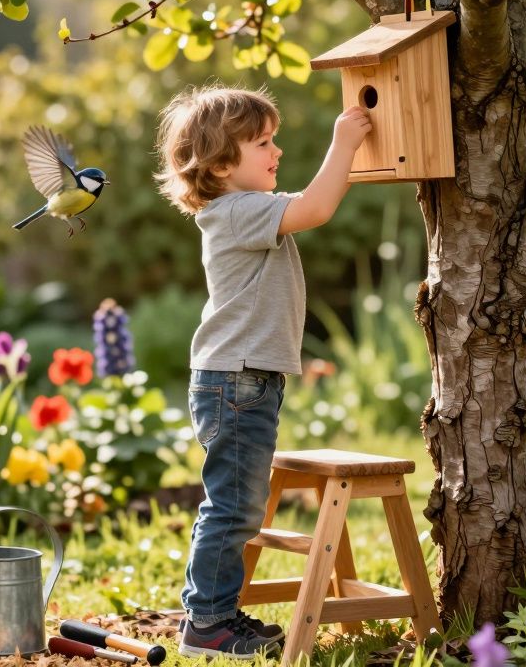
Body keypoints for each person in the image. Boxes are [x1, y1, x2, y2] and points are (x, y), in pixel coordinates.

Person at [154, 84, 372, 660]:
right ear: (223, 164)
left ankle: (217, 613)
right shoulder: (235, 213)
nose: (277, 151)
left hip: (244, 379)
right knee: (232, 506)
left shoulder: (241, 210)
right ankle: (207, 621)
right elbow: (317, 207)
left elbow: (308, 202)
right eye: (263, 143)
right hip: (237, 380)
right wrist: (344, 143)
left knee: (237, 502)